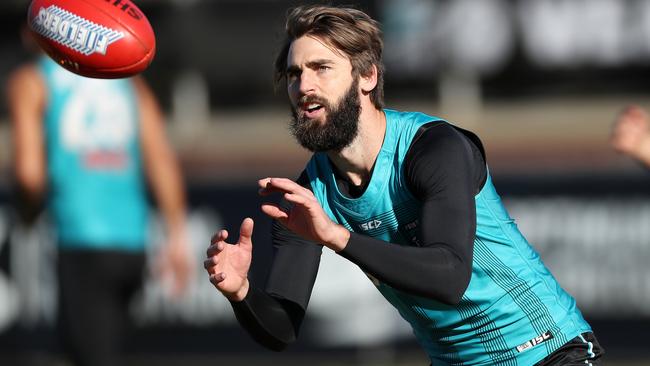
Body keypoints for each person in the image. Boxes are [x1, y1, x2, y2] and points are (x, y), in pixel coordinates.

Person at [204, 5, 604, 365]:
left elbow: (449, 277)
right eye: (294, 74)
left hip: (548, 351)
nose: (303, 86)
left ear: (367, 76)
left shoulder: (432, 148)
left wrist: (338, 237)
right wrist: (241, 292)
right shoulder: (310, 195)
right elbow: (281, 328)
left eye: (321, 68)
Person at [7, 36, 193, 366]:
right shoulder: (126, 81)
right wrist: (177, 235)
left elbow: (29, 174)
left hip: (81, 240)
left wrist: (27, 215)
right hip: (133, 244)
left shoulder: (32, 80)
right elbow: (161, 158)